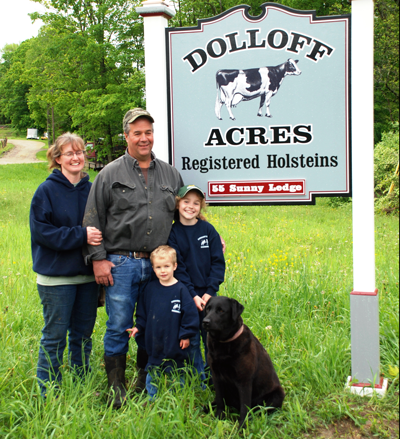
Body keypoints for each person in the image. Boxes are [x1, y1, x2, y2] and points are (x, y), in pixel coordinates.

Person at [82, 108, 184, 408]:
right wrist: (99, 259)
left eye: (148, 132)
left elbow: (186, 214)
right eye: (137, 132)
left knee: (151, 324)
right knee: (119, 325)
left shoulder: (170, 174)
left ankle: (144, 379)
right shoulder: (109, 174)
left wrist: (211, 235)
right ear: (126, 136)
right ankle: (117, 387)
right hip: (121, 264)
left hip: (158, 266)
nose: (144, 138)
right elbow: (92, 219)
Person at [30, 132, 103, 398]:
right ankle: (48, 390)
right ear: (58, 158)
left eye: (80, 152)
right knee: (54, 337)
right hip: (56, 278)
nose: (76, 157)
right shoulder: (46, 191)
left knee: (82, 338)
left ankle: (82, 387)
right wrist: (80, 235)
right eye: (69, 153)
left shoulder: (93, 189)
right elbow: (42, 233)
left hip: (87, 277)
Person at [167, 184, 225, 386]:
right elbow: (179, 267)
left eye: (196, 203)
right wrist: (192, 295)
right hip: (186, 295)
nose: (190, 207)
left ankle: (214, 377)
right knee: (190, 336)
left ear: (201, 207)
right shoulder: (173, 232)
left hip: (208, 296)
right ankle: (197, 376)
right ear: (177, 203)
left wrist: (210, 291)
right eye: (186, 202)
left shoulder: (208, 230)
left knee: (210, 338)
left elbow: (218, 262)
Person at [126, 246, 198, 400]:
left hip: (174, 344)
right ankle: (152, 398)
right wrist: (138, 327)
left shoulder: (181, 290)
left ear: (174, 266)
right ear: (153, 268)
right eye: (158, 267)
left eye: (166, 266)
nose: (163, 271)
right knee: (153, 372)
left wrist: (186, 335)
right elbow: (142, 312)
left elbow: (190, 316)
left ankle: (176, 398)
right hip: (155, 343)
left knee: (176, 373)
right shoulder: (150, 289)